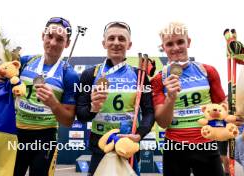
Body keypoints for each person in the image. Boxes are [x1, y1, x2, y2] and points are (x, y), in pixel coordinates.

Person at [0, 17, 79, 176]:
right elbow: (2, 84)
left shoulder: (69, 74)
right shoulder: (24, 61)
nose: (52, 42)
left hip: (45, 137)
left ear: (67, 43)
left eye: (60, 39)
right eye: (49, 36)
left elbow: (68, 120)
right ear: (42, 35)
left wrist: (54, 104)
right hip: (16, 133)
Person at [76, 21, 155, 175]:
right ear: (104, 43)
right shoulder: (90, 74)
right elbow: (81, 115)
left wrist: (139, 134)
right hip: (100, 145)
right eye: (111, 38)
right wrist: (93, 108)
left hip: (127, 144)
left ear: (129, 44)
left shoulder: (139, 76)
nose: (116, 43)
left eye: (121, 39)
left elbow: (149, 112)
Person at [151, 22, 226, 176]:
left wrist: (227, 115)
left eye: (180, 42)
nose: (176, 48)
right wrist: (170, 99)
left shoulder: (207, 71)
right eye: (169, 44)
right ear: (163, 47)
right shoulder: (159, 79)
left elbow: (221, 106)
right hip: (175, 147)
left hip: (206, 144)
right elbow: (163, 122)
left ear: (188, 42)